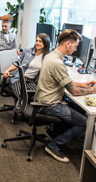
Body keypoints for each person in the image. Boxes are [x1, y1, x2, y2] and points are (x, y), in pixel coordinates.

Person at [35, 29, 96, 163]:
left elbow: (64, 80)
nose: (75, 49)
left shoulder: (51, 56)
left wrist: (85, 84)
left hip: (45, 98)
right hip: (49, 103)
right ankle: (54, 145)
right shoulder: (57, 63)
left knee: (80, 110)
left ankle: (56, 133)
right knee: (84, 123)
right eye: (75, 46)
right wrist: (92, 91)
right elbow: (73, 91)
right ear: (68, 44)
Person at [2, 33, 50, 99]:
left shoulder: (47, 56)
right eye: (36, 41)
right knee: (22, 98)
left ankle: (22, 103)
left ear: (45, 43)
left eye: (40, 41)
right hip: (19, 78)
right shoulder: (28, 51)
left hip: (32, 81)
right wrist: (8, 70)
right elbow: (18, 63)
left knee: (37, 97)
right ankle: (20, 105)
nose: (37, 43)